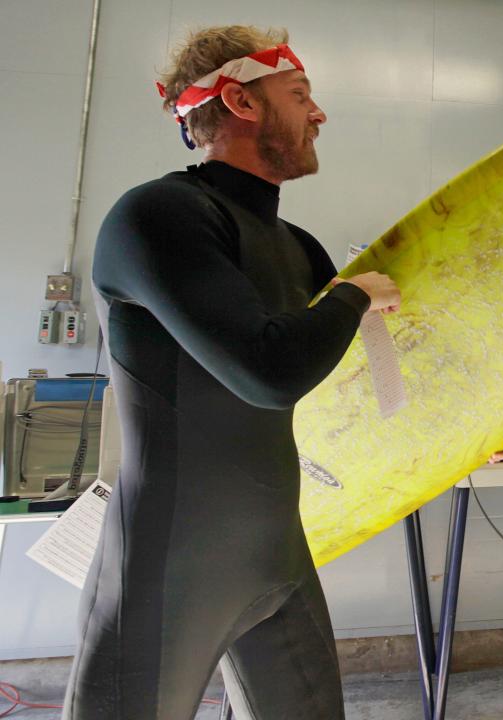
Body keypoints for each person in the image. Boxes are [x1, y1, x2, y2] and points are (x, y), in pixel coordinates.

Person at [63, 26, 400, 720]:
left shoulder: (297, 247)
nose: (318, 114)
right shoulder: (157, 217)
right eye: (300, 94)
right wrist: (354, 295)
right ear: (242, 105)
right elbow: (269, 372)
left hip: (275, 556)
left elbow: (327, 366)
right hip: (167, 567)